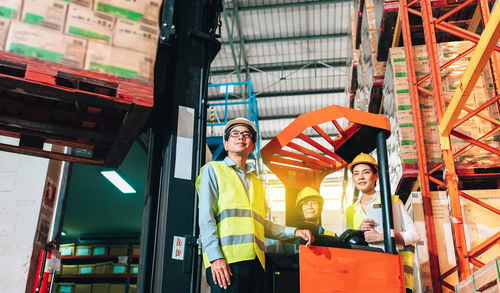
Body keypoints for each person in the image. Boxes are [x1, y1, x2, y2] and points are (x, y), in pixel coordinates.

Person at [196, 117, 314, 293]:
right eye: (234, 134)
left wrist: (294, 231)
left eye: (246, 135)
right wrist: (215, 258)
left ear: (252, 146)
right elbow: (206, 217)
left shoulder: (257, 183)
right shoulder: (213, 170)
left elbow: (262, 224)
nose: (241, 137)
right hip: (228, 263)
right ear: (226, 144)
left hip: (257, 264)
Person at [344, 153, 420, 293]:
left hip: (396, 277)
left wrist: (382, 237)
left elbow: (415, 235)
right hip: (367, 280)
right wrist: (359, 232)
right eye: (356, 174)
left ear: (376, 176)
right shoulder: (350, 211)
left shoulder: (392, 201)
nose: (361, 177)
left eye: (366, 172)